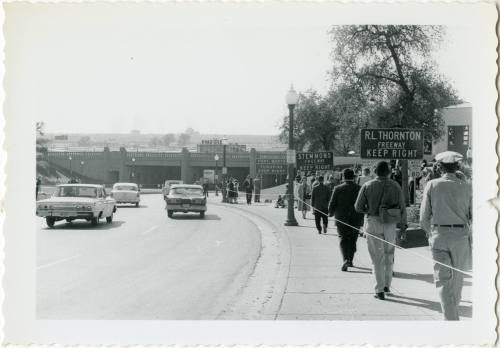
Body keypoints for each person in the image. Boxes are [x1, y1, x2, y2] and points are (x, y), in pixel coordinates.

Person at [420, 151, 472, 320]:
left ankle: (450, 318)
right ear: (458, 166)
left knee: (442, 279)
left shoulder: (432, 185)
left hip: (439, 234)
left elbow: (423, 217)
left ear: (440, 167)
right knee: (458, 278)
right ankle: (453, 313)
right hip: (461, 236)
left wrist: (430, 233)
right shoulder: (467, 186)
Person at [354, 161, 407, 300]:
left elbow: (357, 207)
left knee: (377, 258)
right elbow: (402, 207)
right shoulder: (395, 185)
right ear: (388, 172)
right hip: (390, 223)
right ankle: (387, 285)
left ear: (375, 171)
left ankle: (379, 289)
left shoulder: (367, 185)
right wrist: (403, 227)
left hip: (373, 222)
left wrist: (368, 210)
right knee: (389, 255)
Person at [329, 169, 364, 271]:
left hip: (341, 218)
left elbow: (332, 202)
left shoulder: (338, 188)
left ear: (343, 177)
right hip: (356, 218)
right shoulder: (359, 188)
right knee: (353, 239)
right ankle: (351, 260)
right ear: (354, 177)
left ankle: (345, 259)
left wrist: (330, 212)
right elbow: (364, 203)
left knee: (343, 238)